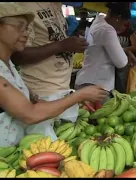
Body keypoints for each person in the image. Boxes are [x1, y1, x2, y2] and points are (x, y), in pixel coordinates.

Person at [0, 3, 107, 146]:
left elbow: (34, 103)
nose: (25, 33)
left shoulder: (9, 67)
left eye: (26, 28)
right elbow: (30, 114)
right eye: (18, 27)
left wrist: (69, 102)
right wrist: (80, 95)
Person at [75, 2, 136, 97]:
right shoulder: (107, 30)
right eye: (124, 24)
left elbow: (106, 47)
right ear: (118, 18)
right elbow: (121, 63)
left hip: (87, 80)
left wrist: (127, 51)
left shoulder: (97, 23)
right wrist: (126, 57)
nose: (123, 28)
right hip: (95, 85)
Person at [116, 22, 136, 93]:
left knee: (124, 83)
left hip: (126, 63)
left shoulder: (129, 32)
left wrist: (124, 49)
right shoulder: (111, 31)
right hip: (113, 63)